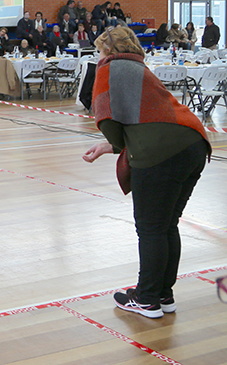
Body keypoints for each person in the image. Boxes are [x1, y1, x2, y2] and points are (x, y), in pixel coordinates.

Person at [83, 25, 210, 319]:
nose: (98, 56)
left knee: (151, 228)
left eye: (100, 50)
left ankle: (147, 298)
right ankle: (163, 294)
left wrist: (112, 143)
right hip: (193, 144)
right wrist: (110, 148)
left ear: (108, 51)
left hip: (161, 155)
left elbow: (108, 119)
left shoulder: (108, 68)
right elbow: (147, 122)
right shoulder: (140, 67)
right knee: (167, 224)